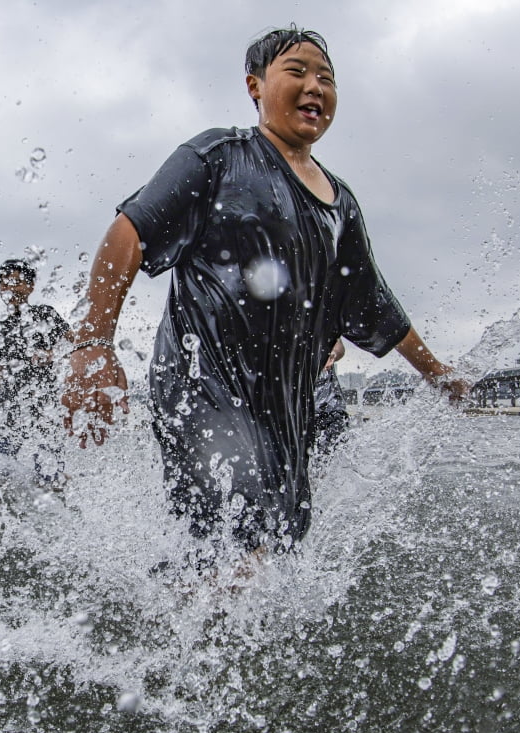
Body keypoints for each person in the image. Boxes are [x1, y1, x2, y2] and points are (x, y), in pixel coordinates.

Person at [62, 27, 467, 559]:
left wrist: (437, 373)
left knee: (276, 542)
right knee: (240, 528)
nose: (314, 87)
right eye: (296, 72)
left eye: (327, 78)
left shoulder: (340, 204)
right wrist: (93, 346)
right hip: (200, 388)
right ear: (255, 86)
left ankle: (176, 626)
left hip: (283, 405)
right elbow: (130, 232)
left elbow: (373, 305)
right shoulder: (217, 157)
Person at [0, 259, 73, 488]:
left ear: (31, 286)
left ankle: (60, 503)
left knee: (48, 481)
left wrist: (50, 354)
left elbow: (75, 346)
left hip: (45, 408)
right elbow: (4, 365)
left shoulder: (45, 315)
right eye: (3, 283)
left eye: (16, 282)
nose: (9, 288)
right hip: (9, 410)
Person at [313, 339, 349, 453]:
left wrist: (332, 353)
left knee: (326, 459)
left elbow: (338, 347)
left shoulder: (315, 322)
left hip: (330, 410)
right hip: (299, 417)